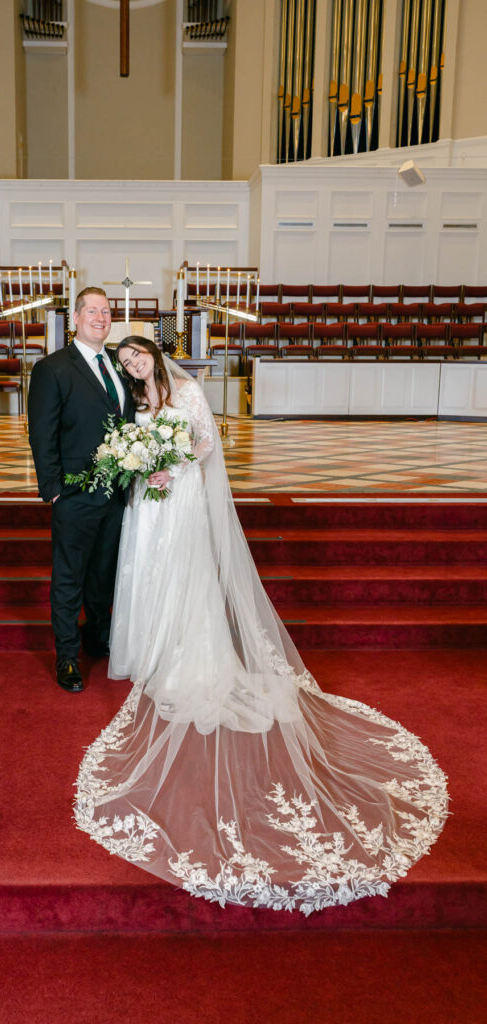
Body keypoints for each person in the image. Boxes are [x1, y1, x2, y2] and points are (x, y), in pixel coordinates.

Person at [74, 337, 448, 915]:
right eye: (125, 362)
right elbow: (129, 446)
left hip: (181, 497)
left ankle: (182, 648)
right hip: (146, 504)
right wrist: (142, 464)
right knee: (143, 570)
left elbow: (205, 443)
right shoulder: (134, 400)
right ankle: (147, 646)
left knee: (183, 572)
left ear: (153, 352)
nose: (133, 365)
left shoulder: (189, 391)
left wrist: (168, 464)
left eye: (138, 357)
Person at [28, 287, 135, 693]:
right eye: (92, 311)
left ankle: (97, 636)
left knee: (104, 573)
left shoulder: (118, 367)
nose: (100, 317)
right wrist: (53, 489)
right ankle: (68, 656)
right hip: (74, 494)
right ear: (75, 317)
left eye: (106, 312)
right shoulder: (53, 368)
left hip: (116, 495)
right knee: (70, 577)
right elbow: (42, 433)